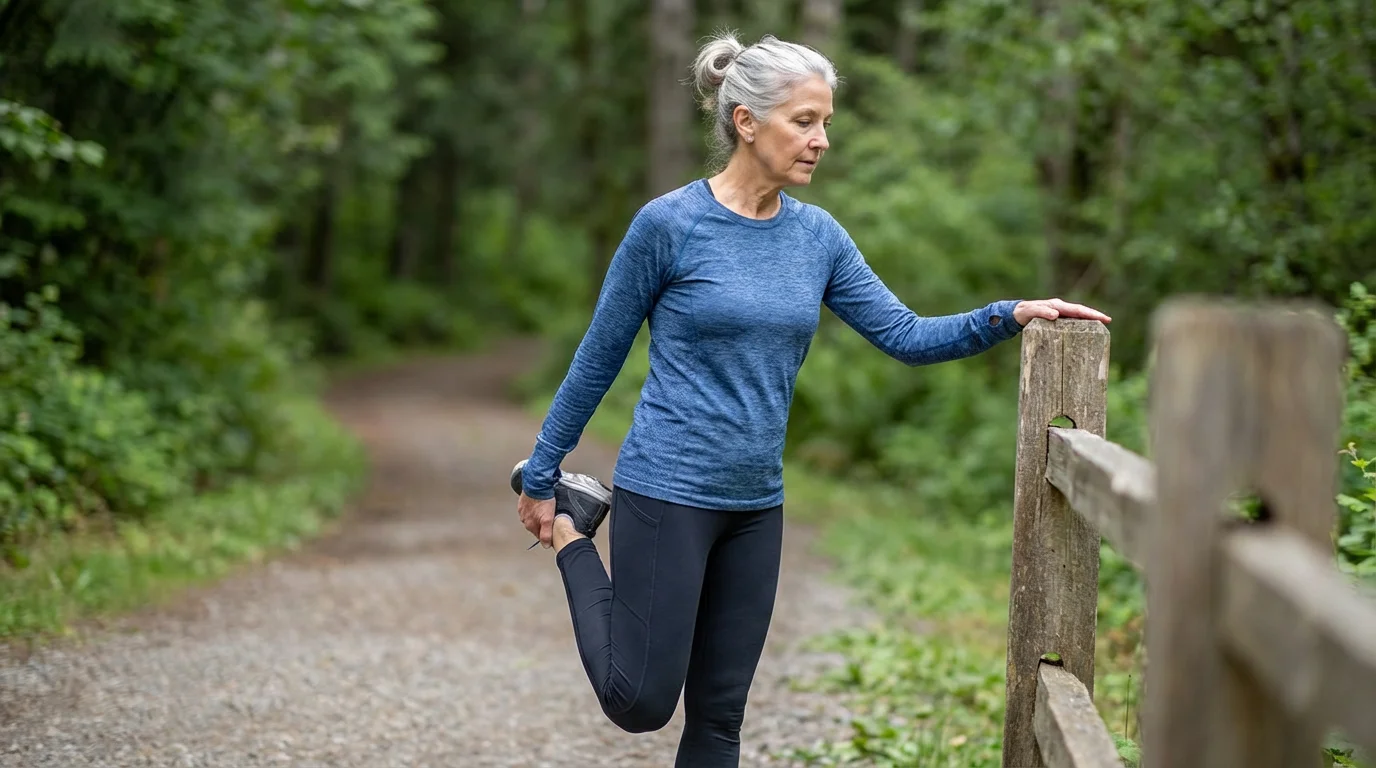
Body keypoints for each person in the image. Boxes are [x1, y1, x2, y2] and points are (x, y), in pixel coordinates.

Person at [514, 31, 1110, 768]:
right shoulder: (667, 227)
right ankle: (576, 531)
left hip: (756, 504)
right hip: (668, 489)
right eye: (805, 121)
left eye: (826, 122)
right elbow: (599, 357)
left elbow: (905, 334)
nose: (821, 140)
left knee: (720, 721)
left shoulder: (818, 238)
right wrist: (543, 474)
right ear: (746, 122)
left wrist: (1009, 314)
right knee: (638, 701)